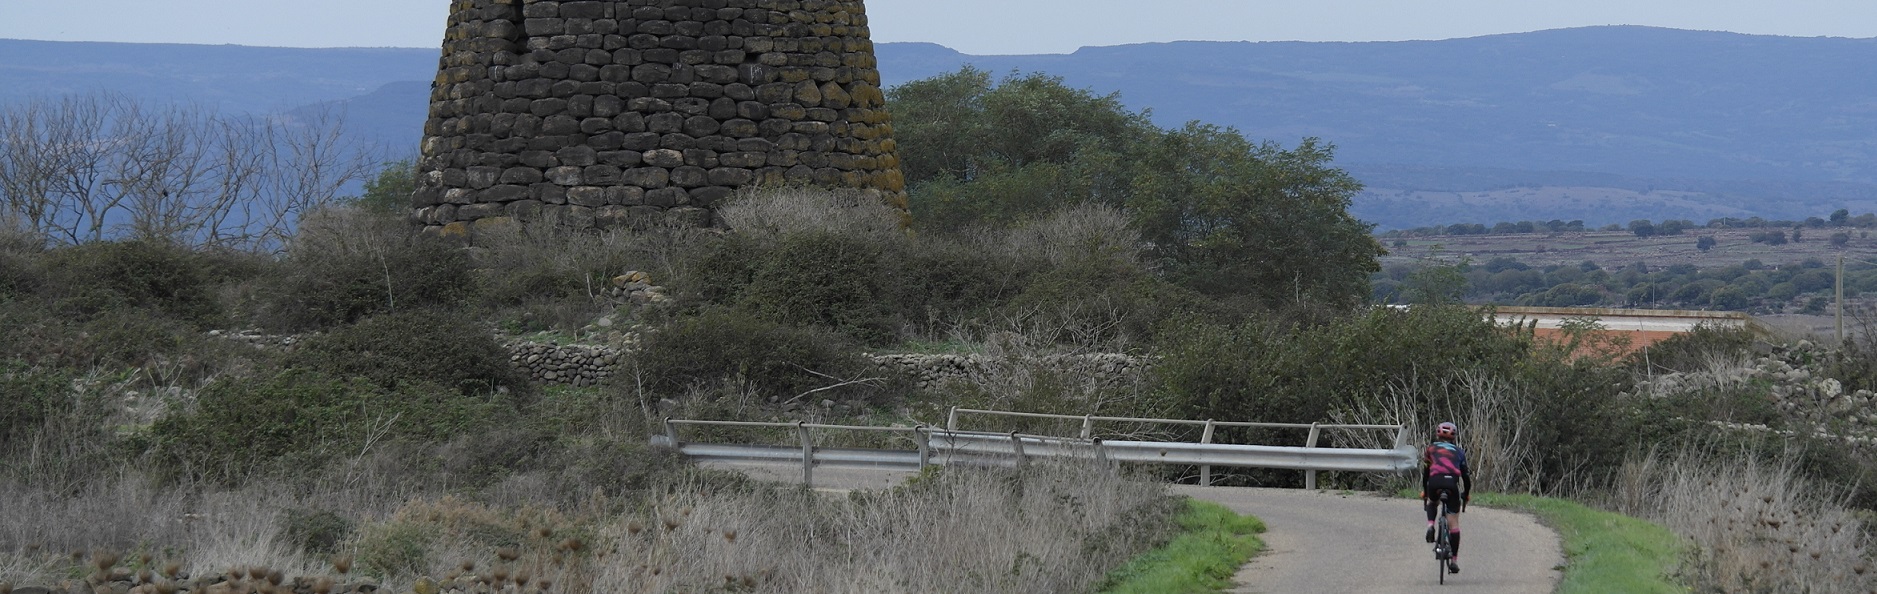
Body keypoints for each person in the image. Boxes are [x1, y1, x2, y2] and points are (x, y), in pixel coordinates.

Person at [1421, 421, 1472, 574]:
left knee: (1432, 501)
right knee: (1454, 523)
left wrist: (1425, 491)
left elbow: (1426, 473)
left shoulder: (1430, 449)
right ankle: (1454, 561)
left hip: (1435, 482)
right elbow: (1466, 477)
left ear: (1437, 434)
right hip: (1451, 485)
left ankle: (1430, 525)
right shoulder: (1459, 452)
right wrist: (1466, 494)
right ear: (1454, 437)